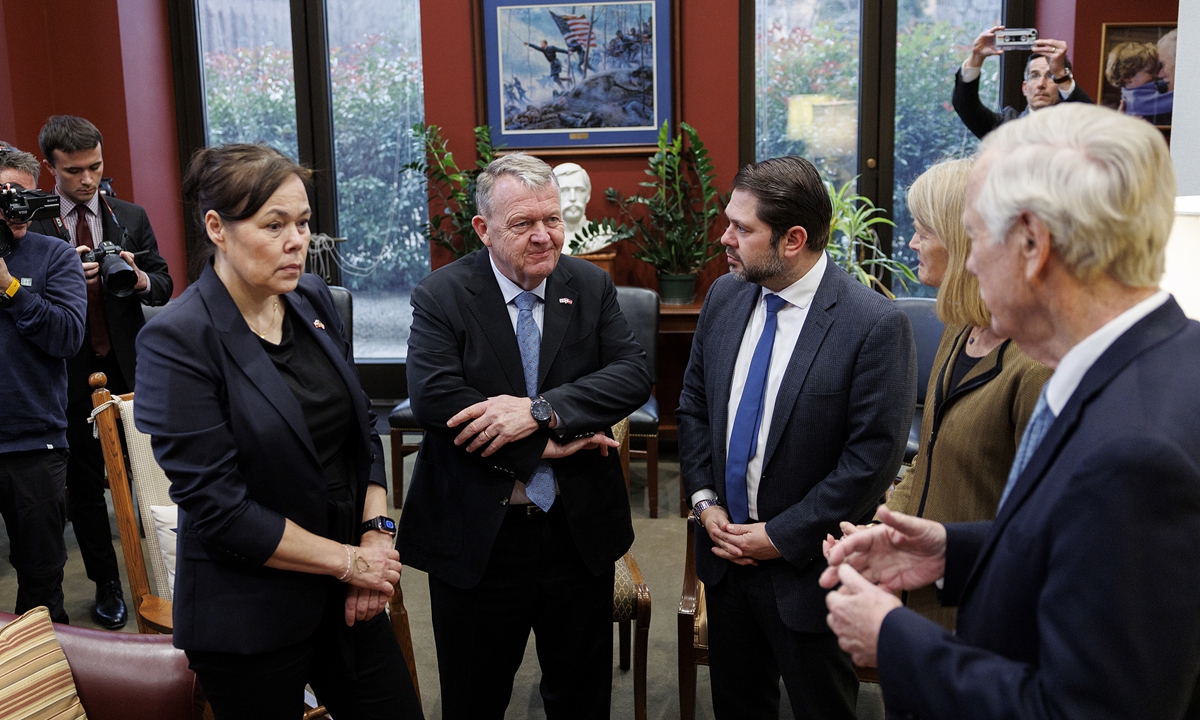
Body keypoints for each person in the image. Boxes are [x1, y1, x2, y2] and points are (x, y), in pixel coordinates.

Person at [822, 103, 1200, 719]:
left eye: (976, 235)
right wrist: (954, 550)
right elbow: (1086, 548)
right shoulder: (1161, 357)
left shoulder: (1136, 455)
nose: (968, 262)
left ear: (1032, 243)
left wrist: (893, 637)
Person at [134, 144, 423, 720]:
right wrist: (346, 560)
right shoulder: (178, 339)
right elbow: (221, 509)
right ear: (217, 227)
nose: (298, 241)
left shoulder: (312, 299)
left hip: (348, 594)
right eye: (275, 225)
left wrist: (376, 533)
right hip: (250, 611)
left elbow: (361, 427)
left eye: (304, 222)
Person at [399, 153, 650, 720]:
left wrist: (541, 412)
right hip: (478, 534)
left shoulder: (588, 284)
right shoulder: (441, 295)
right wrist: (548, 446)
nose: (544, 236)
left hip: (575, 530)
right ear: (483, 229)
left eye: (553, 220)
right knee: (474, 695)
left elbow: (632, 374)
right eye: (523, 224)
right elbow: (438, 398)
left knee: (581, 695)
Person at [676, 155, 917, 719]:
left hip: (809, 572)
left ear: (793, 240)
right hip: (725, 556)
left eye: (742, 228)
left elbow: (871, 460)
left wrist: (779, 536)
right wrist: (705, 500)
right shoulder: (725, 297)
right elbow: (694, 407)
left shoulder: (873, 325)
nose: (724, 237)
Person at [842, 157, 1051, 632]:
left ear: (965, 241)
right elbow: (928, 458)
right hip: (922, 594)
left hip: (983, 611)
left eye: (923, 231)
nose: (912, 242)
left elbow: (1040, 529)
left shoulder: (1037, 367)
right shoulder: (958, 328)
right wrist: (885, 529)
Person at [28, 115, 173, 630]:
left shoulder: (128, 214)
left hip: (128, 367)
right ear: (51, 167)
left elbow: (164, 283)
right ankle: (108, 584)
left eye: (95, 167)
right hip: (64, 374)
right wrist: (62, 270)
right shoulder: (33, 225)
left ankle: (162, 578)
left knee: (147, 477)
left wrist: (135, 278)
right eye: (73, 171)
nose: (87, 180)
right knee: (85, 490)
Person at [0, 143, 87, 626]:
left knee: (41, 583)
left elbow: (69, 338)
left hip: (36, 443)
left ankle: (50, 692)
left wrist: (11, 289)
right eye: (5, 194)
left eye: (25, 195)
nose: (17, 206)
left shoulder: (54, 255)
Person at [952, 26, 1092, 140]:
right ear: (1025, 88)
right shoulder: (1006, 127)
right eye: (1035, 75)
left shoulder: (1075, 128)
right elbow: (966, 106)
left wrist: (1061, 74)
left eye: (1050, 76)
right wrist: (976, 57)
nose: (1041, 84)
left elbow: (1094, 121)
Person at [552, 162, 613, 255]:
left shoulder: (604, 234)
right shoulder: (546, 238)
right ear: (552, 196)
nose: (573, 198)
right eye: (564, 190)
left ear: (588, 195)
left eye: (579, 190)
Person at [1105, 41, 1172, 125]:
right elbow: (1172, 101)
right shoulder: (1138, 101)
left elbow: (1158, 85)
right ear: (1127, 77)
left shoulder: (1130, 90)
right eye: (1150, 72)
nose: (1156, 75)